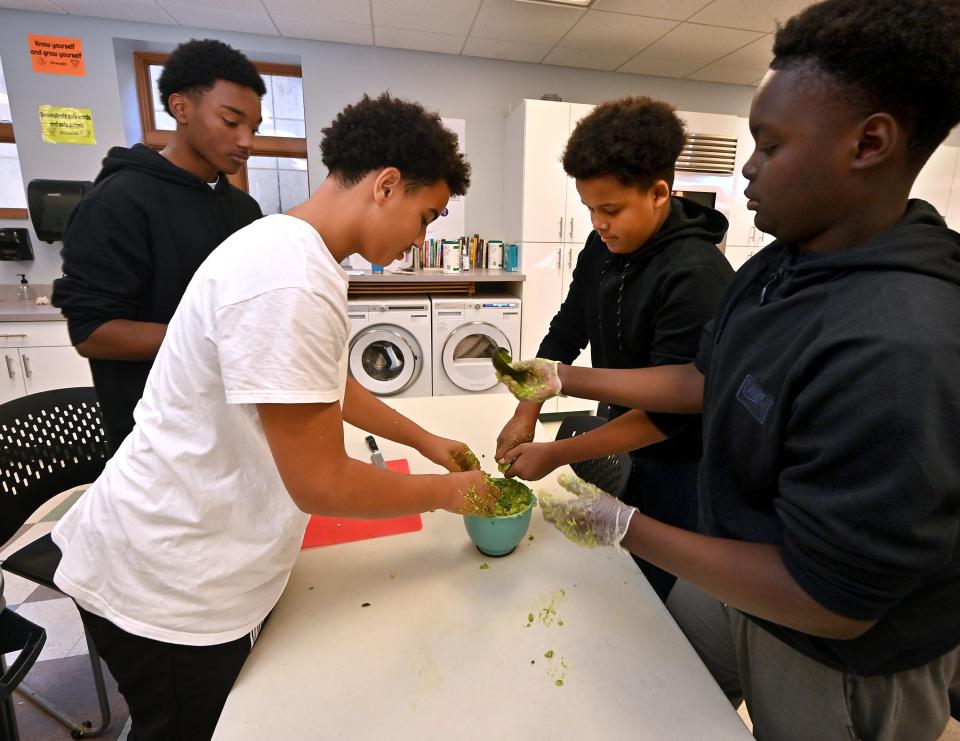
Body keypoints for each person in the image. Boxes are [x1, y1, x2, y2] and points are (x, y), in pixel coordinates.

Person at [498, 0, 960, 737]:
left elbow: (831, 601)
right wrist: (560, 379)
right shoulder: (784, 261)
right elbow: (703, 382)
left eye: (769, 146)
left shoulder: (901, 345)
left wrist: (622, 525)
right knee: (661, 696)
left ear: (868, 142)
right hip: (736, 562)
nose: (745, 167)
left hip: (837, 648)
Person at [51, 92, 500, 741]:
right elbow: (321, 482)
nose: (418, 241)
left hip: (194, 551)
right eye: (425, 216)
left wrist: (424, 439)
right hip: (167, 582)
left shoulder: (289, 249)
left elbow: (322, 383)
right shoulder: (290, 278)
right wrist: (448, 493)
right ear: (386, 185)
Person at [495, 96, 734, 600]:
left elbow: (669, 416)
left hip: (682, 461)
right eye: (588, 209)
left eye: (610, 209)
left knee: (659, 596)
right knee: (621, 578)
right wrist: (527, 409)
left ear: (659, 192)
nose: (598, 223)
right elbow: (567, 329)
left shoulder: (695, 275)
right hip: (624, 435)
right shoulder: (602, 247)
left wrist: (557, 453)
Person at [52, 38, 267, 453]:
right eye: (230, 121)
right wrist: (212, 339)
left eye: (253, 129)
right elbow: (93, 332)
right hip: (155, 439)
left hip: (230, 428)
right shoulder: (116, 202)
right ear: (181, 108)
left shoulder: (243, 209)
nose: (247, 142)